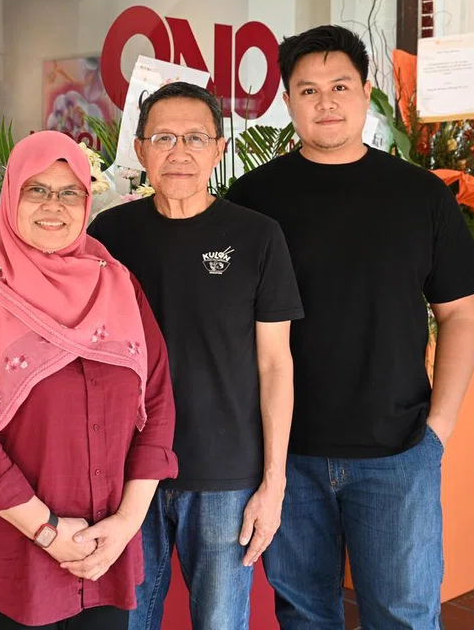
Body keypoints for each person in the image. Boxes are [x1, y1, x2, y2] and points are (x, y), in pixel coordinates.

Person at [225, 25, 474, 629]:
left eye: (340, 85)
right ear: (287, 101)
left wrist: (438, 432)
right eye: (308, 89)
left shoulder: (419, 195)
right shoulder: (251, 200)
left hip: (397, 452)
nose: (326, 102)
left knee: (403, 615)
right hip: (285, 454)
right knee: (302, 615)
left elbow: (461, 312)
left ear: (366, 92)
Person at [0, 130, 178, 630]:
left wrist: (126, 524)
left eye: (69, 193)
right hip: (11, 557)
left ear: (87, 202)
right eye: (36, 190)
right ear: (11, 196)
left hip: (105, 552)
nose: (53, 206)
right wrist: (47, 532)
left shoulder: (120, 285)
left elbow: (159, 403)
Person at [89, 82, 304, 630]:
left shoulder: (258, 237)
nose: (178, 152)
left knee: (220, 622)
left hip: (225, 473)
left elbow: (276, 363)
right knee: (128, 621)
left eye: (194, 137)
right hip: (127, 470)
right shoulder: (108, 235)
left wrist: (273, 482)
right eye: (163, 137)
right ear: (139, 150)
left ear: (219, 147)